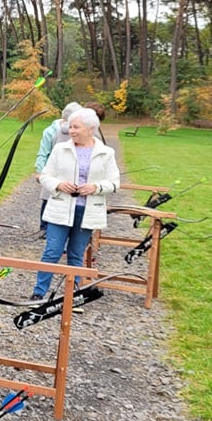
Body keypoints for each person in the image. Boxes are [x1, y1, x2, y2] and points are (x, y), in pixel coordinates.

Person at [33, 107, 120, 298]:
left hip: (87, 211)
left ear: (91, 129)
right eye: (70, 127)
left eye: (76, 127)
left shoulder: (106, 153)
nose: (71, 131)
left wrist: (95, 187)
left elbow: (114, 182)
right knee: (51, 252)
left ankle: (72, 296)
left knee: (75, 255)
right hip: (60, 209)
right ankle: (39, 293)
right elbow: (44, 176)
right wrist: (59, 184)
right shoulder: (60, 149)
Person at [35, 102, 82, 238]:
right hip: (52, 168)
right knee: (47, 196)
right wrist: (40, 171)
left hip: (70, 169)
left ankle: (65, 226)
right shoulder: (51, 130)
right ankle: (44, 227)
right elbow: (43, 152)